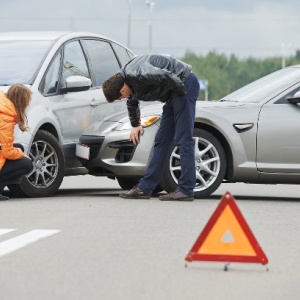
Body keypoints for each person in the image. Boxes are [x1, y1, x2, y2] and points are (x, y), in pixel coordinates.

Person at [102, 54, 200, 201]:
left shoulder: (139, 73)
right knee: (161, 140)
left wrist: (182, 95)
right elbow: (132, 101)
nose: (123, 99)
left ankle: (186, 190)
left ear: (122, 90)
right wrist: (135, 125)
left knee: (183, 139)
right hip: (173, 94)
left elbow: (165, 75)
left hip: (184, 86)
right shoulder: (126, 79)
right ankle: (145, 188)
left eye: (119, 98)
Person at [0, 84, 34, 200]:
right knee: (27, 164)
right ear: (20, 101)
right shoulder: (5, 117)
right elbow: (8, 152)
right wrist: (21, 154)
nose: (28, 104)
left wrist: (19, 150)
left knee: (19, 147)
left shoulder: (2, 104)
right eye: (26, 101)